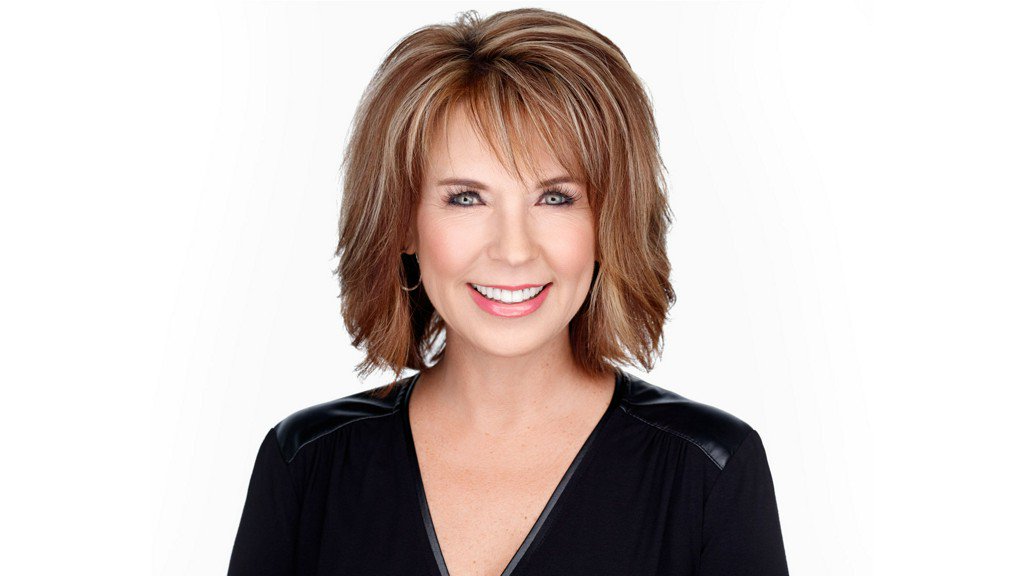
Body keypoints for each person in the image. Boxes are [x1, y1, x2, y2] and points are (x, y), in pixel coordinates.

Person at [228, 7, 788, 576]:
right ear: (403, 223)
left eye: (556, 198)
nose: (513, 250)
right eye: (466, 198)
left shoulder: (709, 471)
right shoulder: (306, 464)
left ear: (608, 224)